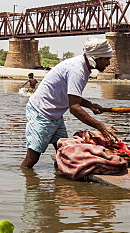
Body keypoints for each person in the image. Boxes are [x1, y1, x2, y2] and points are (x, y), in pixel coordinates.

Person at [21, 37, 118, 169]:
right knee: (32, 159)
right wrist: (101, 127)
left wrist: (90, 105)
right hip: (41, 112)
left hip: (55, 114)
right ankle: (28, 183)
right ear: (96, 57)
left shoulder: (82, 67)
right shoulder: (77, 70)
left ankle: (61, 184)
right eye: (106, 58)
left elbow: (72, 97)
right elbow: (74, 108)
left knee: (64, 154)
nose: (108, 63)